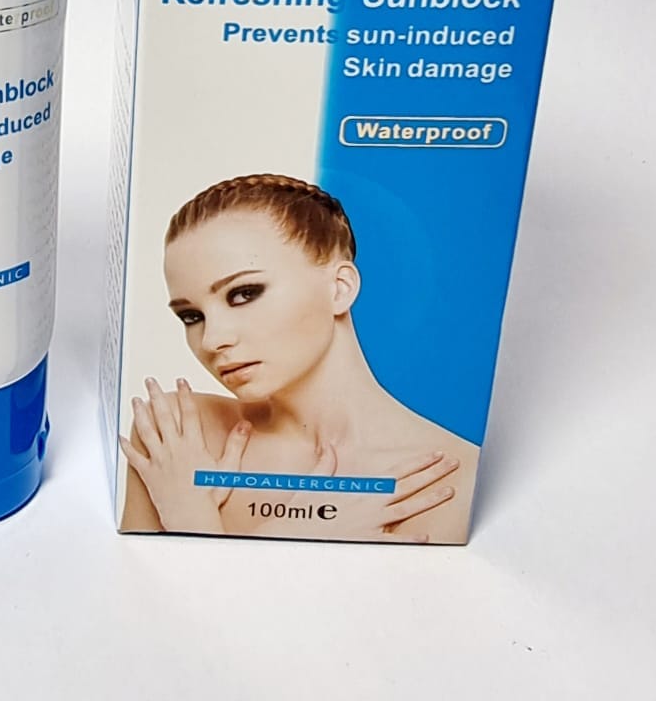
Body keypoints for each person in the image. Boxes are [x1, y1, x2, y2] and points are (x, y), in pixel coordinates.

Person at [120, 173, 478, 543]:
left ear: (339, 288)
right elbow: (132, 580)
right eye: (191, 316)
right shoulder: (179, 437)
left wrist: (194, 523)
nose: (212, 340)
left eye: (244, 294)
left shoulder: (446, 482)